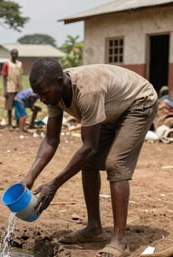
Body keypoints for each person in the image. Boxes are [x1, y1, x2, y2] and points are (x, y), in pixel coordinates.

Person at [21, 58, 157, 257]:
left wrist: (54, 184)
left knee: (115, 163)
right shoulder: (54, 94)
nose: (41, 99)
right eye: (38, 94)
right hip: (112, 109)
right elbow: (51, 139)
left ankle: (120, 241)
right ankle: (94, 228)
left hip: (138, 103)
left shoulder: (87, 91)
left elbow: (89, 147)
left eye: (44, 93)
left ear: (60, 81)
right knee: (89, 164)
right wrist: (29, 178)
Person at [2, 48, 23, 127]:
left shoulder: (20, 64)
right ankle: (10, 123)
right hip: (10, 88)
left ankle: (18, 123)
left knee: (18, 106)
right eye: (14, 54)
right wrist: (5, 90)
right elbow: (4, 77)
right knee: (9, 107)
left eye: (16, 54)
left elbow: (20, 76)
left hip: (19, 88)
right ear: (11, 54)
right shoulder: (7, 64)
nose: (15, 55)